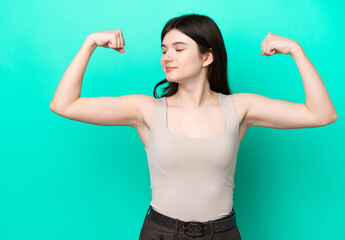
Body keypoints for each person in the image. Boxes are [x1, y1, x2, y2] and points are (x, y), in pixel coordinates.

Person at [49, 13, 337, 240]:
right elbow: (64, 104)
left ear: (207, 57)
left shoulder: (239, 108)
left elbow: (321, 114)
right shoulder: (147, 110)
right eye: (164, 49)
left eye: (178, 48)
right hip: (160, 234)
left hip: (222, 234)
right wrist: (89, 43)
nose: (167, 57)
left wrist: (296, 51)